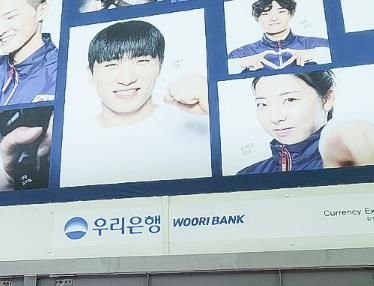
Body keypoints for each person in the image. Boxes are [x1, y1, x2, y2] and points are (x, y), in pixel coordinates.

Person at [59, 19, 211, 187]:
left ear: (160, 66)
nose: (127, 79)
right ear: (90, 74)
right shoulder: (70, 143)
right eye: (111, 64)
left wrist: (216, 105)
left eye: (142, 61)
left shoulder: (199, 123)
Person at [237, 70, 374, 174]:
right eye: (263, 104)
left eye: (290, 99)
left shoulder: (351, 163)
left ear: (327, 99)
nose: (275, 118)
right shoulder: (247, 175)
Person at [228, 0, 331, 74]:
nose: (273, 18)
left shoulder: (319, 45)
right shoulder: (240, 54)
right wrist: (240, 64)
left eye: (281, 11)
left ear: (291, 14)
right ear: (257, 18)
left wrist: (317, 54)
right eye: (265, 13)